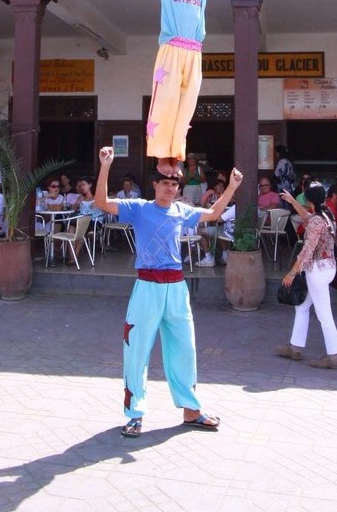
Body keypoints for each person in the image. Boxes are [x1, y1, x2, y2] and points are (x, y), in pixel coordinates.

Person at [93, 145, 243, 438]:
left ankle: (191, 409)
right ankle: (135, 414)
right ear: (155, 185)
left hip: (176, 287)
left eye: (175, 184)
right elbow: (101, 202)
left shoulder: (181, 211)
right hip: (147, 287)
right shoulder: (139, 208)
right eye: (166, 183)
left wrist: (233, 187)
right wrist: (106, 165)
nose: (171, 188)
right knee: (136, 349)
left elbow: (213, 214)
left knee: (185, 349)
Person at [145, 0, 223, 177]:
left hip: (194, 52)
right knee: (166, 102)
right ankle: (160, 156)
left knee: (186, 105)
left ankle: (175, 157)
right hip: (171, 49)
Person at [277, 184, 337, 369]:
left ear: (309, 200)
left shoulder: (316, 221)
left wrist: (292, 272)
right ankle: (295, 347)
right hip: (327, 267)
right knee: (303, 306)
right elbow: (308, 218)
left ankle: (333, 356)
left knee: (324, 314)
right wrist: (292, 201)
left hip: (317, 271)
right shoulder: (327, 214)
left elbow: (307, 250)